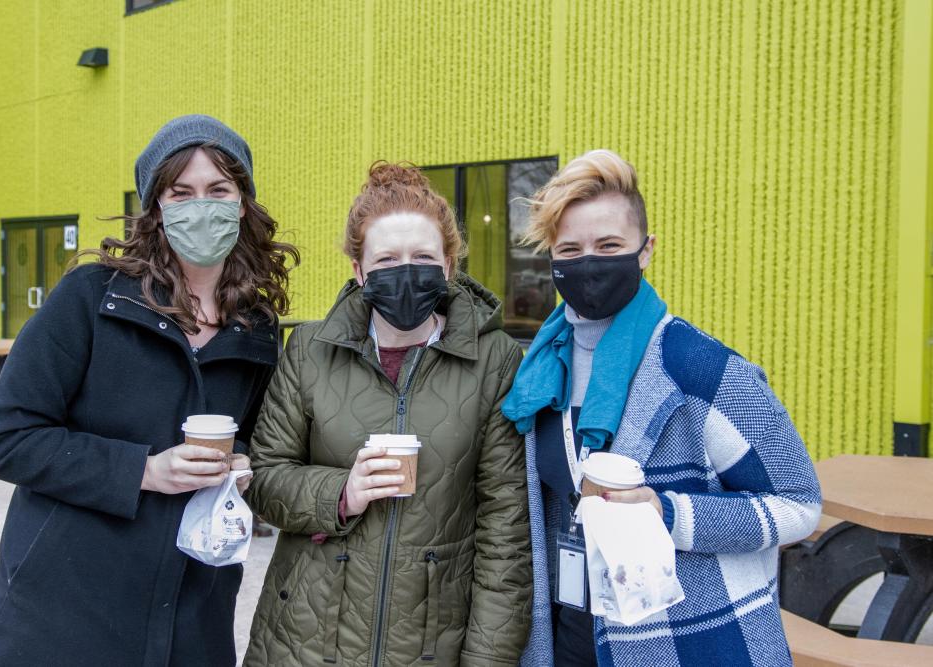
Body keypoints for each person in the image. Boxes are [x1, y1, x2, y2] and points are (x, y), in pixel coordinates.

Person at [0, 114, 299, 667]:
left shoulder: (256, 326)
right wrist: (145, 471)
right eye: (182, 192)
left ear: (242, 204)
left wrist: (244, 467)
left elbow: (254, 441)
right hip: (65, 607)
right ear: (156, 207)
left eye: (219, 189)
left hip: (192, 605)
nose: (202, 205)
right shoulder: (91, 299)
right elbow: (6, 440)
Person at [503, 150, 821, 667]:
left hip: (686, 643)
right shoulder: (540, 370)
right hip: (570, 638)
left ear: (646, 250)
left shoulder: (699, 367)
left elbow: (799, 505)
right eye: (571, 249)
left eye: (609, 246)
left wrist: (668, 513)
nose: (590, 264)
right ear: (553, 261)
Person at [243, 162, 532, 666]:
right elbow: (265, 482)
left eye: (422, 257)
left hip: (429, 643)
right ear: (358, 272)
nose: (405, 272)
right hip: (305, 641)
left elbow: (504, 536)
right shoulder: (310, 349)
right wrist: (341, 494)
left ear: (448, 266)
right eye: (386, 259)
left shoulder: (496, 360)